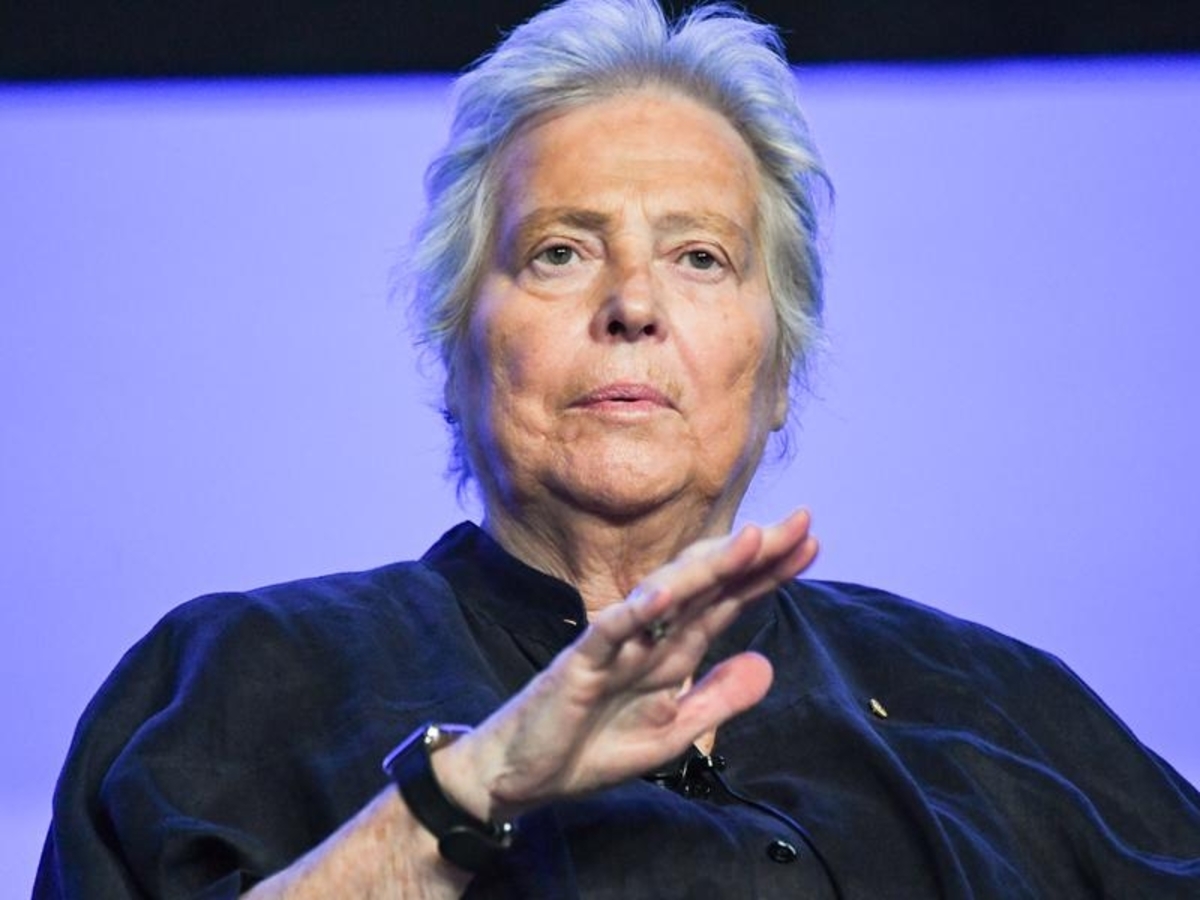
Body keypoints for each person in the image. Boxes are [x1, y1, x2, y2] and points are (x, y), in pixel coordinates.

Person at [33, 0, 1200, 897]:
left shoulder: (1005, 716)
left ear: (779, 371)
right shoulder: (232, 685)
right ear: (453, 348)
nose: (634, 303)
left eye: (700, 257)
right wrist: (463, 796)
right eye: (560, 251)